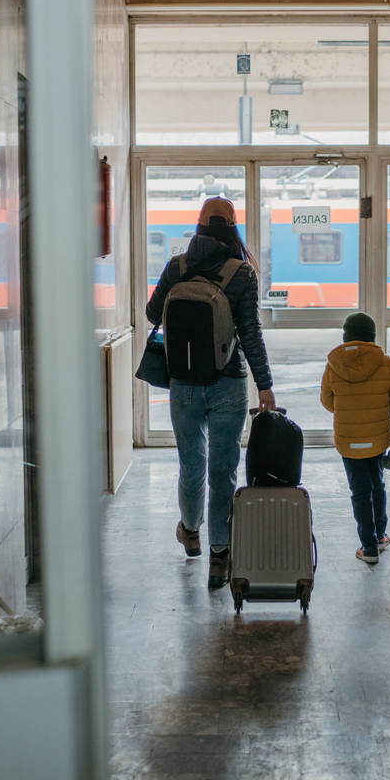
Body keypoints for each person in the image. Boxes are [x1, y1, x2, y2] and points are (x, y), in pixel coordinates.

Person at [145, 197, 275, 590]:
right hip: (229, 383)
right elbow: (250, 333)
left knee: (191, 465)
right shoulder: (242, 273)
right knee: (223, 471)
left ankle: (191, 531)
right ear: (233, 226)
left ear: (199, 225)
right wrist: (265, 386)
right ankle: (221, 555)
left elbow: (153, 315)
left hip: (183, 382)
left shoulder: (177, 266)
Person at [320, 312, 390, 564]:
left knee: (359, 490)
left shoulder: (333, 364)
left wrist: (346, 410)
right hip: (376, 438)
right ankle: (379, 537)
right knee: (377, 485)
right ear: (372, 336)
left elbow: (327, 401)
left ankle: (368, 548)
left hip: (348, 439)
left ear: (346, 336)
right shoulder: (385, 362)